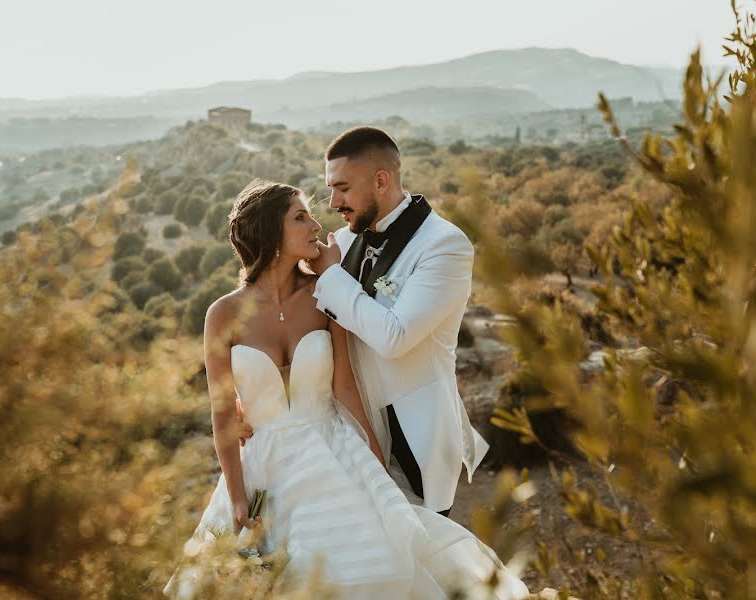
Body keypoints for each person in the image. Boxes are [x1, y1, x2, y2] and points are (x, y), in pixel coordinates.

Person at [164, 179, 528, 599]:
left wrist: (374, 460)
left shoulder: (324, 295)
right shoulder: (222, 313)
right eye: (301, 217)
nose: (317, 224)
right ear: (269, 232)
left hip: (333, 453)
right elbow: (222, 413)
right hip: (261, 466)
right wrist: (237, 495)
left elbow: (345, 386)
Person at [310, 126, 489, 516]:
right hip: (351, 435)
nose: (333, 202)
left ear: (380, 180)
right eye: (330, 188)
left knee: (425, 558)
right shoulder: (341, 243)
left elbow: (395, 337)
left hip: (414, 435)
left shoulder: (444, 245)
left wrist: (331, 277)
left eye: (342, 188)